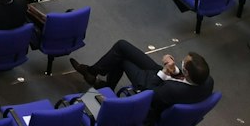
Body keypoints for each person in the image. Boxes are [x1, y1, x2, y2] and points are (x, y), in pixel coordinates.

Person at [73, 45, 215, 113]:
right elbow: (184, 80)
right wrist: (175, 70)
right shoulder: (207, 81)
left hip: (153, 86)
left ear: (188, 73)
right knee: (122, 46)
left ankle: (103, 85)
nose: (181, 62)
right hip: (165, 81)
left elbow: (148, 92)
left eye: (182, 64)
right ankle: (92, 73)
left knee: (121, 59)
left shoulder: (171, 90)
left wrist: (164, 71)